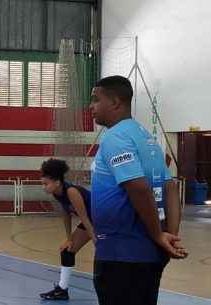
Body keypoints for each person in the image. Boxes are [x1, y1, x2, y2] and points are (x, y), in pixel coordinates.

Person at [89, 76, 186, 305]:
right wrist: (168, 236)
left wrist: (157, 235)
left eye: (96, 100)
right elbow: (169, 187)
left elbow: (138, 188)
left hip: (121, 255)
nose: (91, 106)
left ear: (115, 102)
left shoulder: (116, 137)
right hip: (148, 255)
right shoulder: (145, 137)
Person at [36, 158, 94, 301]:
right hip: (91, 221)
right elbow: (66, 215)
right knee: (67, 250)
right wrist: (69, 239)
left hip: (101, 220)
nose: (43, 187)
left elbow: (84, 218)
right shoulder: (57, 193)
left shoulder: (71, 192)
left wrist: (95, 239)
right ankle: (62, 290)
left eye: (46, 183)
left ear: (57, 182)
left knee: (105, 256)